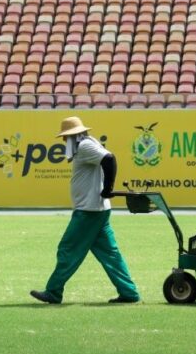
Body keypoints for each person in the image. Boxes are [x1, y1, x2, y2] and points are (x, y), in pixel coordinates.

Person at [30, 116, 141, 304]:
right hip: (98, 210)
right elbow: (107, 159)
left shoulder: (84, 146)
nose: (64, 141)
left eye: (65, 137)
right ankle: (129, 293)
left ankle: (54, 291)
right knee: (111, 255)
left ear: (73, 136)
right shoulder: (87, 144)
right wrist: (106, 190)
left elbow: (109, 159)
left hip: (88, 212)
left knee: (67, 249)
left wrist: (108, 188)